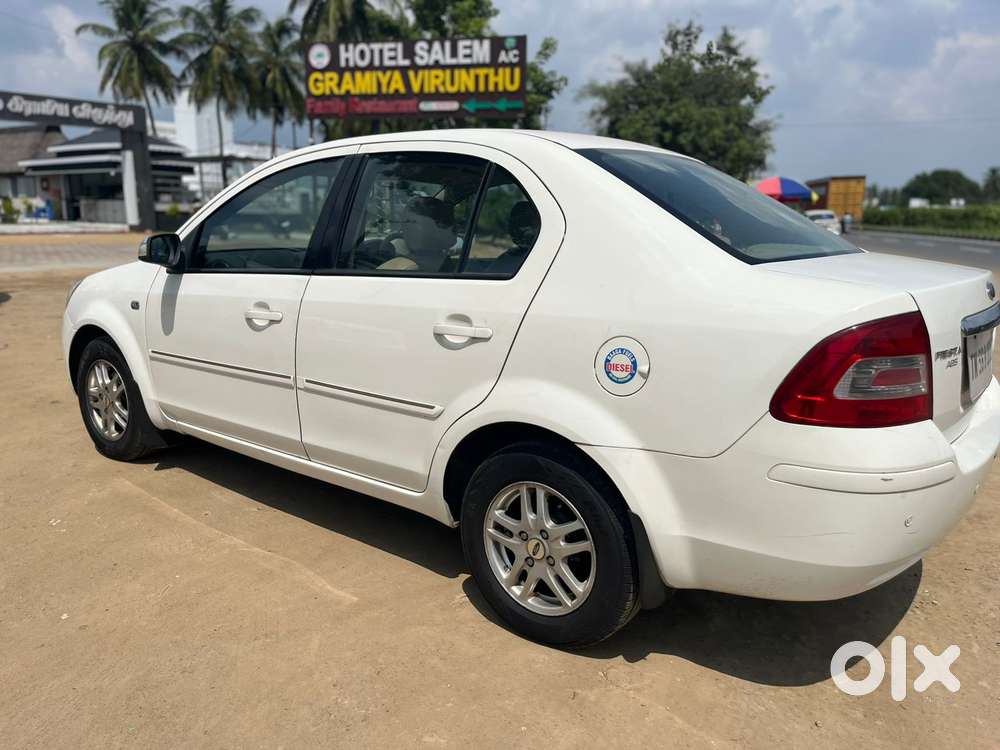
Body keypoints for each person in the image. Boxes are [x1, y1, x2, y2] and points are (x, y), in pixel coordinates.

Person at [377, 196, 456, 271]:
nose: (402, 228)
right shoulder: (447, 264)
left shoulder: (406, 267)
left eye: (410, 222)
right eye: (404, 221)